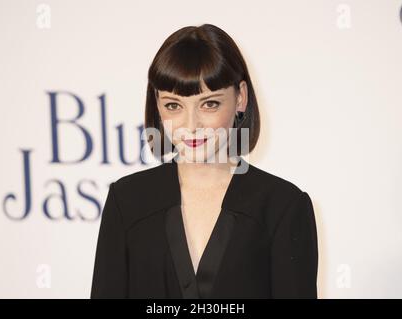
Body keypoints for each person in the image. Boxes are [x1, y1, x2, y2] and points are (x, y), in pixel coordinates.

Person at [91, 23, 318, 299]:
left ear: (241, 98)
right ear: (157, 104)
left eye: (209, 104)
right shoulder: (127, 201)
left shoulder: (282, 206)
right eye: (173, 105)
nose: (191, 125)